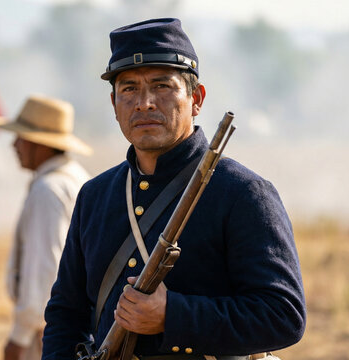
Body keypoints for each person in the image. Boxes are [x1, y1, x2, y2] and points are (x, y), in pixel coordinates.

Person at [42, 18, 306, 360]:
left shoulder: (242, 192)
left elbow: (283, 315)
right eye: (129, 88)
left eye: (162, 86)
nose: (145, 102)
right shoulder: (95, 196)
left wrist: (173, 315)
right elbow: (66, 314)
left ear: (196, 99)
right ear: (114, 105)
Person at [0, 95, 92, 360]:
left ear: (40, 144)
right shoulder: (77, 180)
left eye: (21, 137)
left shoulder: (48, 190)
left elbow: (44, 273)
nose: (14, 145)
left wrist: (18, 338)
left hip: (46, 332)